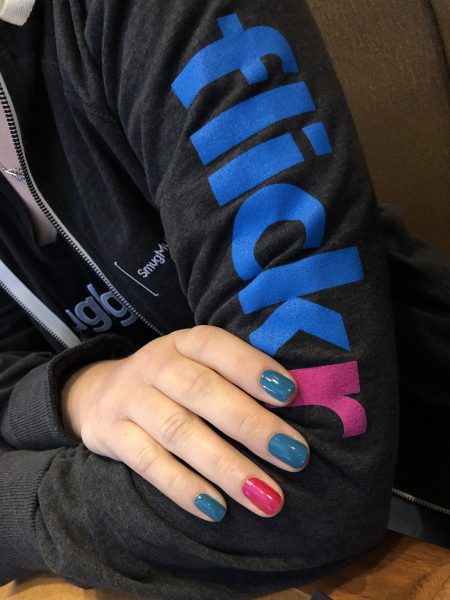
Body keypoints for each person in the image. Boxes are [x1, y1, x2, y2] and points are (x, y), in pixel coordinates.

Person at [0, 0, 446, 598]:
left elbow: (310, 485)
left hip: (417, 495)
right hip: (146, 534)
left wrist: (17, 503)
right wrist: (79, 392)